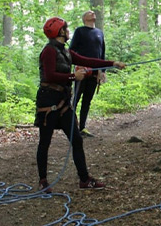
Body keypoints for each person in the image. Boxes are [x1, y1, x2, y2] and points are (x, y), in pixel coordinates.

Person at [36, 17, 125, 192]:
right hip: (48, 102)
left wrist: (112, 64)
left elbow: (88, 61)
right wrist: (72, 77)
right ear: (59, 32)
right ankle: (43, 181)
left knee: (76, 140)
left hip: (63, 103)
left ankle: (84, 179)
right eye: (65, 28)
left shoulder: (66, 52)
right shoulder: (48, 51)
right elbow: (50, 75)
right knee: (45, 142)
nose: (68, 31)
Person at [69, 10, 105, 138]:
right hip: (81, 71)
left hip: (94, 73)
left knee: (87, 101)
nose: (93, 13)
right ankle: (72, 127)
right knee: (75, 100)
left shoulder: (100, 33)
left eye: (93, 12)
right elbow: (71, 50)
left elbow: (102, 54)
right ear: (84, 18)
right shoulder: (80, 31)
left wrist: (102, 71)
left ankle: (82, 127)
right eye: (89, 13)